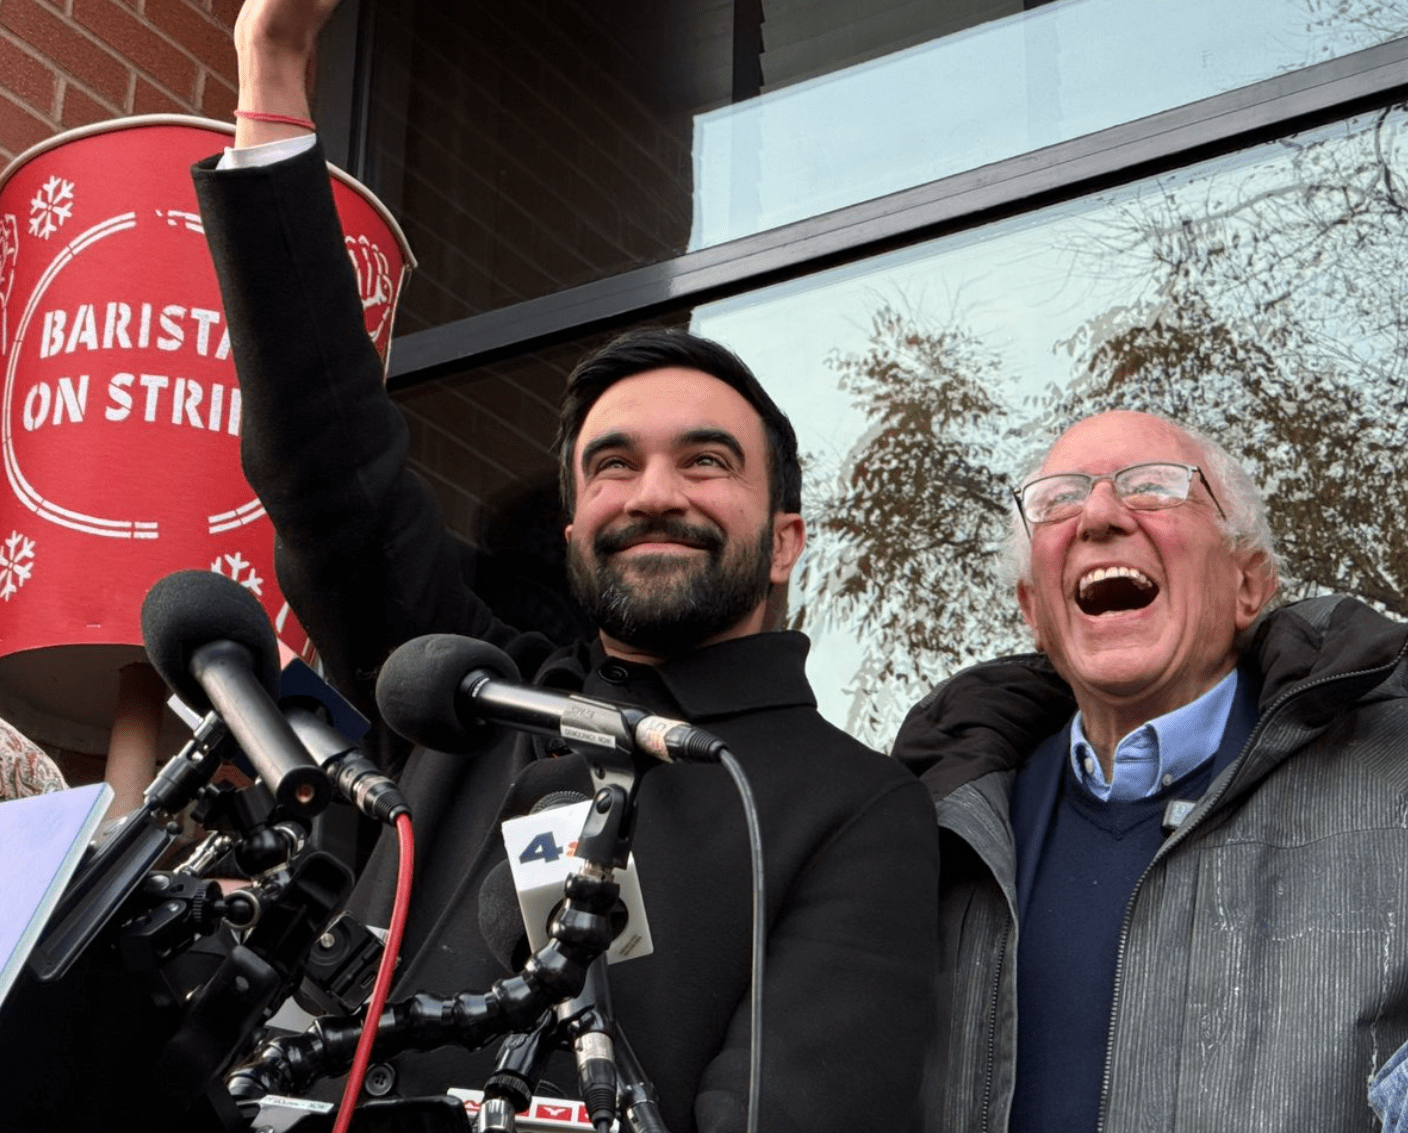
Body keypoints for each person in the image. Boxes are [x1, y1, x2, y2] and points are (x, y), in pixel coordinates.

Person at [188, 3, 939, 1130]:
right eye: (613, 466)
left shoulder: (855, 807)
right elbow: (326, 463)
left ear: (786, 536)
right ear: (577, 526)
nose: (653, 493)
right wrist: (275, 63)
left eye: (705, 462)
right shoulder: (470, 699)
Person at [894, 408, 1408, 1132]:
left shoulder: (1394, 775)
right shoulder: (935, 831)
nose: (1099, 515)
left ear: (1249, 584)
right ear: (1033, 611)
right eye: (1059, 500)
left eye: (1155, 486)